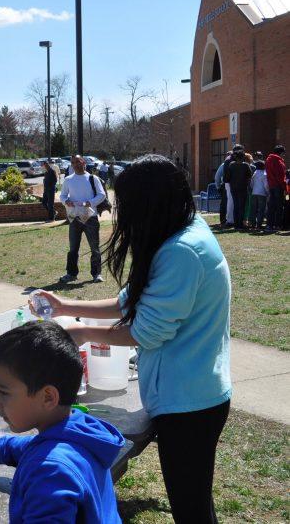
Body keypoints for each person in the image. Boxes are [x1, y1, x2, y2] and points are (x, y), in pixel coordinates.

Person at [32, 154, 231, 523]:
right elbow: (132, 302)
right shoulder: (182, 232)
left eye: (126, 204)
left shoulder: (182, 251)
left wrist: (79, 332)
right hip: (191, 393)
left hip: (189, 403)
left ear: (149, 202)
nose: (122, 213)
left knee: (192, 511)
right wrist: (65, 306)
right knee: (193, 503)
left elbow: (145, 331)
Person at [0, 322, 124, 524]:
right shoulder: (77, 431)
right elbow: (26, 446)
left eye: (4, 392)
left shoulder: (50, 472)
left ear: (48, 397)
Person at [59, 155, 107, 284]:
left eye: (78, 162)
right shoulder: (68, 180)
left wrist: (90, 203)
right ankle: (71, 273)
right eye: (73, 162)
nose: (76, 164)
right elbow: (62, 195)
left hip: (90, 218)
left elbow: (102, 194)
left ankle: (97, 274)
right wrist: (66, 201)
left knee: (95, 248)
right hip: (75, 218)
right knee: (73, 248)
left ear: (84, 162)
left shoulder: (93, 178)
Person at [224, 148, 253, 229]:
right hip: (243, 188)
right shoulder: (246, 165)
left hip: (233, 187)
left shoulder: (232, 165)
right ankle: (240, 224)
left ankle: (236, 224)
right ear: (243, 157)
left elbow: (227, 177)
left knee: (236, 205)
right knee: (242, 206)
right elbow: (250, 176)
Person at [265, 145, 286, 231]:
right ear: (280, 153)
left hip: (271, 185)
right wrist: (285, 187)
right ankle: (277, 225)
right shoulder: (279, 161)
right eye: (283, 154)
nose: (283, 155)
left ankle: (269, 225)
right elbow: (281, 176)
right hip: (278, 186)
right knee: (279, 207)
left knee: (271, 206)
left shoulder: (268, 160)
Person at [214, 152, 233, 228]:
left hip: (225, 185)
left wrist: (218, 187)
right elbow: (217, 177)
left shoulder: (224, 164)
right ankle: (223, 220)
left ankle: (225, 220)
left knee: (225, 204)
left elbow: (217, 177)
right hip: (225, 185)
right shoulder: (224, 165)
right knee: (224, 204)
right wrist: (218, 187)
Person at [250, 158, 268, 229]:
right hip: (262, 193)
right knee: (261, 209)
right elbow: (266, 185)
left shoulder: (254, 173)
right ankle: (259, 224)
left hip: (254, 193)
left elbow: (251, 184)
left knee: (253, 209)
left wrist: (252, 189)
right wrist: (267, 192)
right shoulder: (264, 174)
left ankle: (253, 224)